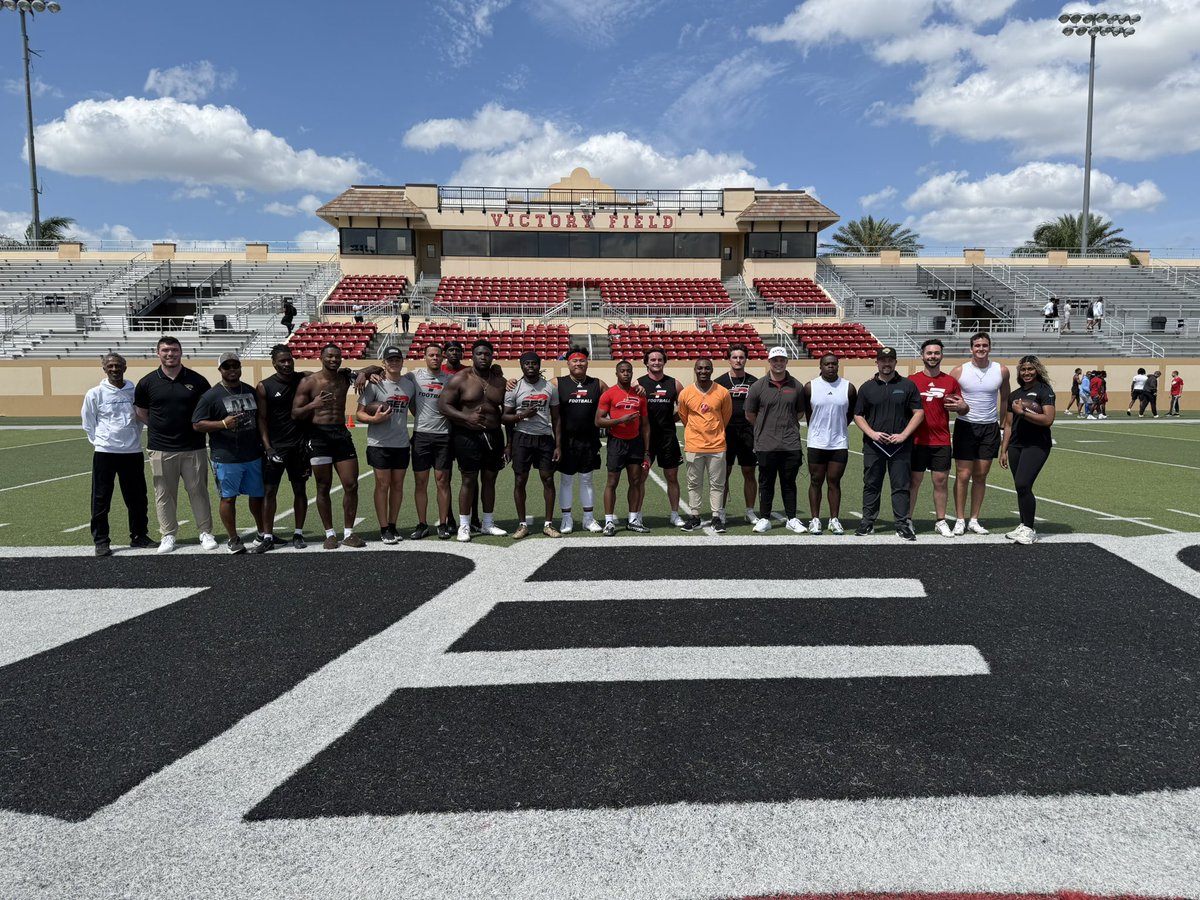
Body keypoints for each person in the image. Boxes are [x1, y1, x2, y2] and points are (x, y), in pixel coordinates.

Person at [134, 335, 217, 554]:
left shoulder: (197, 380)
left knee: (198, 491)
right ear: (158, 353)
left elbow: (206, 409)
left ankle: (205, 532)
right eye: (165, 350)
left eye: (174, 350)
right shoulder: (147, 382)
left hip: (193, 447)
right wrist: (160, 427)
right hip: (161, 448)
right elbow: (141, 412)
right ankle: (168, 535)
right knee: (164, 494)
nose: (170, 354)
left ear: (181, 352)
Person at [191, 352, 270, 554]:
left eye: (235, 365)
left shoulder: (250, 391)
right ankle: (233, 538)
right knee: (228, 498)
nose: (232, 369)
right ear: (220, 370)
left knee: (257, 496)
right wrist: (222, 423)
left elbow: (261, 419)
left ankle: (262, 533)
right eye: (227, 366)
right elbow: (197, 424)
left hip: (252, 454)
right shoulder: (211, 396)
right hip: (227, 457)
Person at [292, 343, 367, 549]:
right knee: (323, 486)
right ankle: (330, 533)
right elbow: (296, 413)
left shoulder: (344, 378)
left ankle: (349, 533)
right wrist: (312, 405)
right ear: (321, 357)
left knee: (351, 484)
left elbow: (376, 369)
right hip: (318, 436)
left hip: (341, 434)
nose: (334, 360)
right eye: (330, 356)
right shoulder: (309, 382)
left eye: (337, 357)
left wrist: (363, 373)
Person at [81, 353, 155, 557]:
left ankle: (139, 535)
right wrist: (101, 442)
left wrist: (133, 438)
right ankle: (101, 540)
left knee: (138, 497)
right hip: (106, 452)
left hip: (132, 452)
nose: (115, 369)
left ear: (125, 367)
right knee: (101, 498)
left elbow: (141, 416)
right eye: (111, 366)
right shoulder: (95, 393)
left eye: (118, 365)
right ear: (104, 369)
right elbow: (88, 422)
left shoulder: (134, 391)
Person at [439, 339, 509, 542]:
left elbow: (508, 412)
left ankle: (487, 523)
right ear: (473, 356)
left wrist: (509, 444)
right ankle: (464, 526)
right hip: (467, 435)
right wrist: (465, 417)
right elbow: (443, 406)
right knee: (468, 480)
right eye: (479, 354)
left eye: (487, 354)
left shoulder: (500, 381)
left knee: (490, 479)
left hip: (494, 435)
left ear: (492, 356)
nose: (483, 357)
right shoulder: (461, 378)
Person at [853, 346, 924, 541]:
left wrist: (903, 435)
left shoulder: (908, 385)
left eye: (890, 360)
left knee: (901, 486)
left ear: (895, 362)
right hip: (874, 446)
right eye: (883, 360)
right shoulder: (867, 387)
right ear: (877, 362)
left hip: (900, 446)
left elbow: (919, 413)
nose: (886, 363)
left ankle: (902, 524)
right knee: (871, 485)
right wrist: (872, 434)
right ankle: (867, 522)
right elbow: (858, 415)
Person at [949, 332, 1011, 535]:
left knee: (981, 475)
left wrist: (1003, 426)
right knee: (963, 475)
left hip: (989, 427)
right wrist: (959, 407)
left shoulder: (1001, 370)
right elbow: (949, 399)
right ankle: (959, 518)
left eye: (984, 345)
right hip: (965, 426)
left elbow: (1005, 400)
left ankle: (974, 519)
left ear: (990, 348)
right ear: (971, 349)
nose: (981, 349)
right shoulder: (959, 371)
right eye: (977, 345)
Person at [908, 339, 969, 538]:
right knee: (914, 481)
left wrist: (962, 407)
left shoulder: (950, 382)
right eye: (929, 353)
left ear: (941, 355)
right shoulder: (912, 380)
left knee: (940, 481)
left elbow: (963, 409)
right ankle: (907, 519)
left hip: (941, 440)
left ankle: (940, 520)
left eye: (936, 353)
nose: (932, 356)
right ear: (922, 355)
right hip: (916, 440)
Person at [357, 346, 416, 545]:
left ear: (402, 361)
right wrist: (375, 419)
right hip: (379, 443)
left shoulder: (409, 384)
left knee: (397, 485)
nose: (394, 363)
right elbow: (360, 413)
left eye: (397, 359)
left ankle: (393, 525)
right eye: (390, 360)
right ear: (384, 363)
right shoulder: (375, 384)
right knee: (382, 485)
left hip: (401, 442)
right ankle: (383, 528)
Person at [743, 346, 805, 534]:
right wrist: (766, 429)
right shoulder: (758, 386)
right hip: (766, 445)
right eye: (775, 360)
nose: (778, 363)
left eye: (782, 360)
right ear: (769, 362)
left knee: (789, 483)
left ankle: (792, 518)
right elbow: (749, 414)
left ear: (786, 362)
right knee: (766, 483)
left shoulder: (796, 385)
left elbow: (800, 412)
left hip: (790, 444)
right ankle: (764, 518)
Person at [256, 344, 312, 550]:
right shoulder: (264, 386)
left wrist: (361, 371)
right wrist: (268, 448)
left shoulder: (303, 379)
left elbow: (326, 375)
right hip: (277, 447)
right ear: (274, 363)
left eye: (289, 360)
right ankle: (268, 536)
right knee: (270, 491)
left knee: (300, 489)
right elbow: (261, 419)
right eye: (282, 361)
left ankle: (298, 534)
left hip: (299, 446)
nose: (287, 364)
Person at [503, 351, 562, 539]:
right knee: (520, 480)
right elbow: (505, 417)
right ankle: (522, 525)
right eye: (526, 363)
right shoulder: (514, 388)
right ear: (521, 366)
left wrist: (558, 445)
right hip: (522, 438)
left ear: (539, 365)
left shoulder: (550, 388)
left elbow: (556, 418)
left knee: (548, 479)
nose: (530, 366)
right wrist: (521, 417)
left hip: (544, 438)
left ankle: (548, 524)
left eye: (534, 363)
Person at [1000, 355, 1056, 546]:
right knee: (1019, 486)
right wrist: (1003, 449)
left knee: (1023, 483)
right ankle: (1023, 525)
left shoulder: (1044, 391)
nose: (1027, 373)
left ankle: (1030, 529)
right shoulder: (1014, 395)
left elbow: (1048, 419)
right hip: (1016, 444)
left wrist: (1023, 413)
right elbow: (1008, 424)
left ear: (1037, 370)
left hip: (1037, 444)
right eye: (1023, 370)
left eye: (1030, 369)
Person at [677, 358, 733, 533]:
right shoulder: (685, 393)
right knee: (694, 483)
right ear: (695, 369)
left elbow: (726, 417)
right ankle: (695, 516)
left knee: (717, 483)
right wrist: (696, 433)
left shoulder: (722, 392)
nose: (703, 371)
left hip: (717, 445)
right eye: (700, 368)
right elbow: (684, 416)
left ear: (712, 370)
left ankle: (716, 517)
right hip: (694, 445)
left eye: (707, 368)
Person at [803, 352, 856, 535]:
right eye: (827, 364)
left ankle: (834, 519)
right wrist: (817, 430)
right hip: (817, 443)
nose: (831, 367)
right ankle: (815, 519)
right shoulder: (810, 387)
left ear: (838, 365)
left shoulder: (848, 387)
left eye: (834, 364)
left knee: (834, 481)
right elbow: (809, 415)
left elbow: (849, 415)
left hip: (839, 442)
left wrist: (838, 428)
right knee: (816, 481)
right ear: (820, 366)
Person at [595, 360, 650, 536]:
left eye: (628, 371)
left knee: (635, 481)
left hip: (635, 442)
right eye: (622, 371)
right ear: (617, 373)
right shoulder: (609, 394)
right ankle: (609, 521)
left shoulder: (640, 394)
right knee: (612, 482)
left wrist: (647, 451)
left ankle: (633, 519)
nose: (626, 373)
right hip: (616, 442)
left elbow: (646, 425)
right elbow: (598, 420)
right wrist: (619, 421)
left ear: (632, 373)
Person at [556, 346, 606, 534]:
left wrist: (636, 388)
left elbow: (616, 397)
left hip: (589, 441)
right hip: (566, 442)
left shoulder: (597, 384)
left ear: (587, 363)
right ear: (568, 363)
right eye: (575, 361)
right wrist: (512, 382)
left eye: (582, 360)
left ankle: (588, 519)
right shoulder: (557, 383)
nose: (578, 363)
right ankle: (566, 519)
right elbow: (534, 387)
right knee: (566, 480)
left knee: (587, 479)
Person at [409, 342, 454, 539]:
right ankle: (422, 523)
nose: (435, 358)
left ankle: (443, 524)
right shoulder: (413, 376)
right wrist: (367, 371)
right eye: (431, 355)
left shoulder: (450, 379)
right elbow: (390, 377)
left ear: (442, 358)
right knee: (421, 482)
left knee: (442, 481)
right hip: (421, 435)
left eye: (438, 355)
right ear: (425, 357)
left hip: (443, 436)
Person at [638, 348, 685, 528]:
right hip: (645, 439)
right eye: (652, 360)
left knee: (672, 476)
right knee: (640, 477)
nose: (656, 362)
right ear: (646, 363)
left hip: (668, 438)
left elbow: (683, 409)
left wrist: (669, 421)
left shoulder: (674, 384)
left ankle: (674, 514)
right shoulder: (638, 384)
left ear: (664, 362)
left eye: (659, 359)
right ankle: (638, 514)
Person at [715, 343, 759, 525]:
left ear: (746, 359)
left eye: (741, 357)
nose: (738, 360)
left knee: (749, 472)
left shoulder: (755, 382)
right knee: (723, 473)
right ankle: (721, 511)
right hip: (726, 432)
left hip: (748, 432)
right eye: (735, 357)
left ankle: (749, 511)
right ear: (729, 359)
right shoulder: (719, 382)